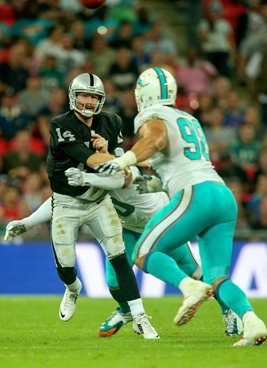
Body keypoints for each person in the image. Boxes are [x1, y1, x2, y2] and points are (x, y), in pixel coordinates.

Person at [97, 67, 267, 347]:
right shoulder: (188, 118)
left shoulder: (153, 117)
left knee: (143, 251)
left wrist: (122, 161)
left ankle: (189, 287)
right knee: (217, 277)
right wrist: (154, 184)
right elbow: (178, 164)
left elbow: (155, 141)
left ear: (144, 95)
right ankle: (250, 320)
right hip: (222, 195)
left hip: (196, 194)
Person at [5, 162, 243, 338]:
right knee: (113, 281)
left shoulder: (124, 174)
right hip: (128, 231)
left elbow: (143, 179)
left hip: (160, 226)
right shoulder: (94, 178)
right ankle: (127, 311)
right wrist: (27, 222)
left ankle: (228, 311)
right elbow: (62, 202)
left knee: (195, 273)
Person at [13, 71, 159, 339]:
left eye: (94, 96)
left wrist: (111, 157)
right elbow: (87, 158)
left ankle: (139, 316)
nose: (89, 101)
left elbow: (117, 168)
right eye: (84, 95)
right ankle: (73, 289)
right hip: (67, 203)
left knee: (118, 257)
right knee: (66, 267)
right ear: (73, 96)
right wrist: (107, 157)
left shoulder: (112, 121)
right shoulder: (60, 124)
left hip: (98, 201)